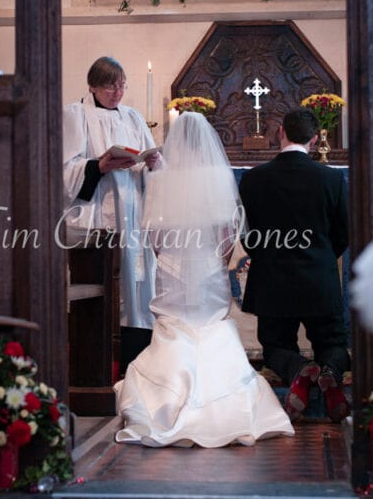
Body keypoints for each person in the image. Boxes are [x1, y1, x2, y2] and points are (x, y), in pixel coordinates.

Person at [114, 112, 295, 447]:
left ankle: (166, 395)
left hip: (172, 266)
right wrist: (216, 263)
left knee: (175, 323)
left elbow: (154, 236)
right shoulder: (216, 176)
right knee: (211, 323)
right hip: (209, 267)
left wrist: (169, 262)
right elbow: (228, 238)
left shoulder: (162, 179)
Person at [238, 108, 350, 423]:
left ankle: (300, 370)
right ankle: (328, 371)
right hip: (319, 278)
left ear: (281, 134)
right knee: (334, 342)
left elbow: (248, 234)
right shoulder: (331, 178)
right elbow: (344, 232)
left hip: (272, 279)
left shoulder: (253, 179)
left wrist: (267, 255)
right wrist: (324, 255)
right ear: (314, 140)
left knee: (274, 346)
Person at [63, 56, 163, 370]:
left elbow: (154, 167)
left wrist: (152, 165)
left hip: (132, 218)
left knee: (136, 291)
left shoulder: (133, 118)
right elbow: (63, 169)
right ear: (92, 85)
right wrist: (97, 167)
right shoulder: (75, 115)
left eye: (121, 85)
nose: (117, 92)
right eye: (110, 86)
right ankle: (95, 369)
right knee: (101, 290)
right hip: (95, 217)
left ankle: (135, 368)